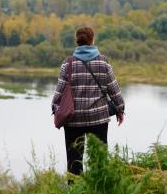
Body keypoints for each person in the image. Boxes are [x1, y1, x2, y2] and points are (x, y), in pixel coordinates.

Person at [51, 27, 125, 177]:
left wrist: (55, 111)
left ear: (77, 41)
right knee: (100, 161)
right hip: (98, 119)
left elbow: (58, 94)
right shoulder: (103, 63)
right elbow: (114, 90)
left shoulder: (68, 63)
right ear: (92, 40)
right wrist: (120, 109)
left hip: (73, 120)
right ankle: (99, 192)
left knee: (74, 162)